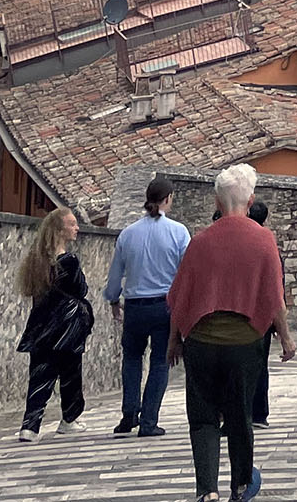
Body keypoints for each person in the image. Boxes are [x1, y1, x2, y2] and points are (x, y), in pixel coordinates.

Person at [168, 163, 296, 502]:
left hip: (201, 342)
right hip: (245, 342)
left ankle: (206, 490)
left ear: (216, 201)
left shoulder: (200, 241)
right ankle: (240, 484)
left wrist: (173, 341)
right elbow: (274, 297)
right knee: (240, 416)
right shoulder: (264, 239)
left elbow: (181, 296)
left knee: (203, 417)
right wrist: (285, 337)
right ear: (251, 200)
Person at [106, 176, 189, 437]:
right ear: (168, 199)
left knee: (131, 359)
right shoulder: (178, 232)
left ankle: (129, 413)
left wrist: (112, 299)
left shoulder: (128, 233)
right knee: (160, 362)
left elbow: (116, 272)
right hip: (164, 306)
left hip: (135, 306)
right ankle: (149, 420)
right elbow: (186, 272)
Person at [15, 206, 93, 442]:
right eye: (71, 224)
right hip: (67, 326)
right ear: (60, 230)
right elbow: (81, 289)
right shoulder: (68, 261)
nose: (76, 227)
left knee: (40, 375)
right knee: (70, 373)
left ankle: (30, 426)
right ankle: (69, 419)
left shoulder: (37, 260)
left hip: (41, 326)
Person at [246, 199, 273, 429]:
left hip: (241, 312)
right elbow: (276, 286)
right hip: (262, 315)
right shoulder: (267, 243)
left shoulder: (241, 242)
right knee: (260, 364)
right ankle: (259, 413)